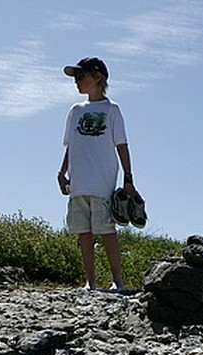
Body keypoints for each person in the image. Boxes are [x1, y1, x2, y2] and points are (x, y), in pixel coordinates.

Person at [57, 57, 135, 291]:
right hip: (79, 182)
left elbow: (122, 144)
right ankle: (90, 283)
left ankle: (117, 282)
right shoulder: (75, 110)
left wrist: (128, 178)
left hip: (102, 182)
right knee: (83, 233)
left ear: (98, 76)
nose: (77, 82)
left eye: (81, 76)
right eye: (75, 77)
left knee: (106, 231)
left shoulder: (112, 110)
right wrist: (62, 172)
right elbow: (71, 144)